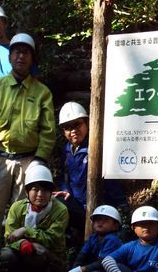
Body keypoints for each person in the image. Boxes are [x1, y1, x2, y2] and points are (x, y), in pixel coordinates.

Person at [0, 33, 56, 244]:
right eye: (17, 52)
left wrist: (40, 159)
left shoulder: (42, 93)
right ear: (10, 57)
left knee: (22, 210)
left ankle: (17, 254)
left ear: (32, 59)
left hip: (28, 161)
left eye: (26, 53)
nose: (21, 57)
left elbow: (48, 130)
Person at [53, 101, 127, 245]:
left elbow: (112, 181)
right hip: (77, 203)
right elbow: (64, 175)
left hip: (99, 208)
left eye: (77, 124)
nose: (73, 130)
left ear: (87, 123)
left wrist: (121, 206)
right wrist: (65, 190)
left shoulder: (97, 147)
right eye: (68, 127)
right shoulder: (67, 150)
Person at [0, 165, 69, 272]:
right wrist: (22, 244)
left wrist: (26, 231)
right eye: (35, 189)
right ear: (26, 192)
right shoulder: (17, 208)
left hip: (50, 257)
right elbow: (9, 238)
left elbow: (52, 239)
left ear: (51, 192)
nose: (40, 195)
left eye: (45, 190)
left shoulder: (60, 210)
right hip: (22, 252)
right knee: (5, 254)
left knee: (38, 250)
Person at [64, 205, 123, 272]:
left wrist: (81, 269)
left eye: (105, 220)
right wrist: (74, 270)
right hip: (95, 268)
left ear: (115, 226)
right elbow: (82, 255)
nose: (100, 222)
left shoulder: (112, 239)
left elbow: (102, 263)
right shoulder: (93, 238)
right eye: (98, 219)